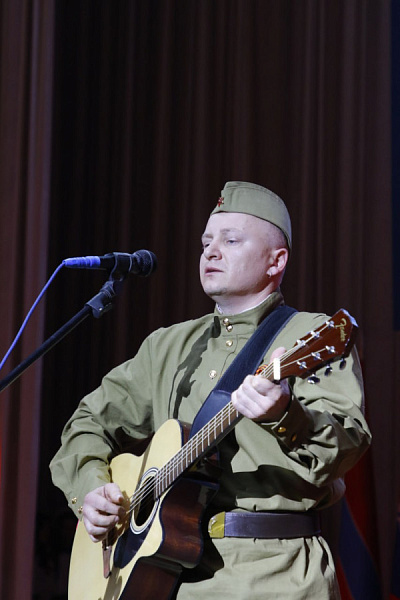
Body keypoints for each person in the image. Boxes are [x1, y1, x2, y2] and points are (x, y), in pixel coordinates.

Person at [50, 181, 371, 599]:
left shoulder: (311, 335)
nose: (210, 252)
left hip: (273, 574)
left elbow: (347, 445)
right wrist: (91, 489)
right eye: (206, 243)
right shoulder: (168, 345)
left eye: (230, 240)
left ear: (276, 261)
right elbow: (88, 422)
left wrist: (286, 415)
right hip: (161, 575)